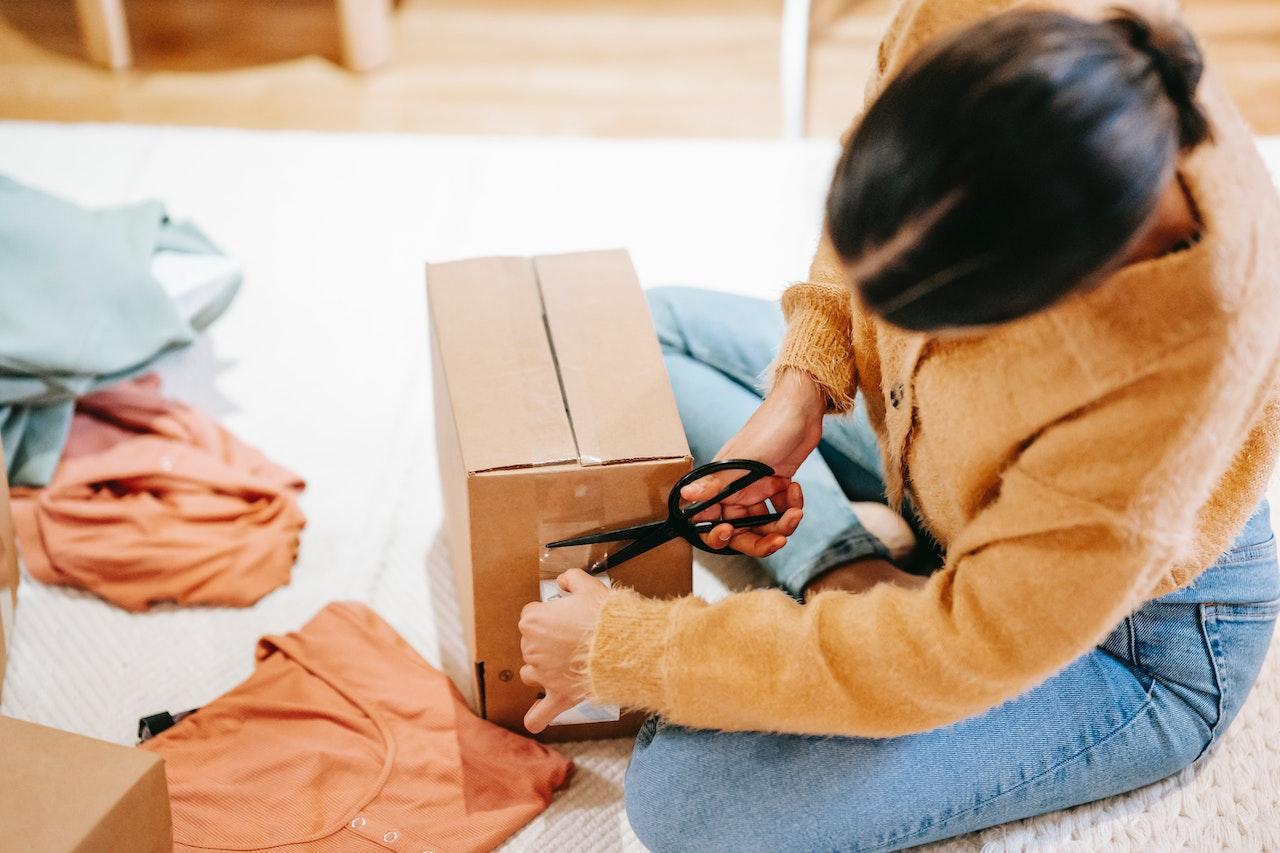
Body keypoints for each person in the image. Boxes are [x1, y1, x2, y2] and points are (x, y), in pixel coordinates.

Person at [518, 0, 1280, 848]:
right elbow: (870, 194)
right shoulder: (977, 19)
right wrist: (802, 389)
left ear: (1056, 301)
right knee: (651, 332)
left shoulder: (1179, 363)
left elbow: (962, 650)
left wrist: (629, 650)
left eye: (924, 318)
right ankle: (849, 569)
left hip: (1125, 641)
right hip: (945, 469)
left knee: (684, 803)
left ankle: (878, 597)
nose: (882, 323)